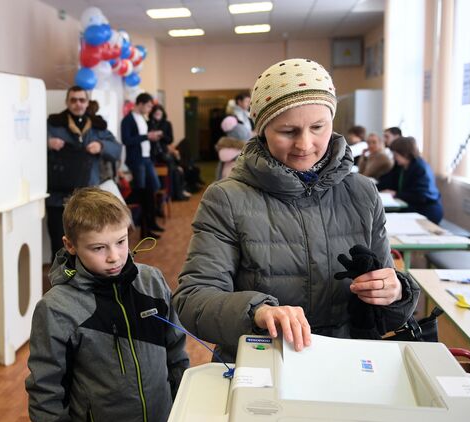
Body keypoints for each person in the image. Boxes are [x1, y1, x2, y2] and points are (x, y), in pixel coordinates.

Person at [173, 58, 420, 363]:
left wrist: (394, 293)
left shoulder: (362, 193)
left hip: (348, 362)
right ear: (262, 131)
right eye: (288, 131)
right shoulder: (227, 198)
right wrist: (258, 312)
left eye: (318, 127)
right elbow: (193, 299)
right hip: (263, 362)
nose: (305, 144)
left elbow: (384, 300)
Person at [26, 187, 189, 422]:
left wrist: (182, 406)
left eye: (121, 242)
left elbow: (176, 352)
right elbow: (46, 389)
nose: (114, 256)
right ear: (70, 245)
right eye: (99, 248)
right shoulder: (56, 308)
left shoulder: (152, 281)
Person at [46, 86, 122, 260]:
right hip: (58, 198)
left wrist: (101, 146)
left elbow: (117, 150)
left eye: (81, 100)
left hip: (88, 198)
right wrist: (47, 143)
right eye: (73, 100)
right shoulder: (53, 124)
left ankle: (83, 284)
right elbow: (29, 144)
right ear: (67, 102)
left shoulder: (97, 126)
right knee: (59, 248)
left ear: (87, 103)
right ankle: (62, 283)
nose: (77, 104)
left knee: (88, 244)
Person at [121, 93, 164, 238]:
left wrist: (151, 136)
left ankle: (151, 223)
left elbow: (143, 138)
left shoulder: (143, 118)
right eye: (148, 105)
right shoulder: (127, 120)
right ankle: (145, 229)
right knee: (144, 194)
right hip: (137, 160)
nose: (150, 108)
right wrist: (147, 136)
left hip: (146, 159)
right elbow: (126, 140)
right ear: (139, 103)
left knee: (153, 189)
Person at [377, 136, 444, 224]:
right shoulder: (401, 166)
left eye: (396, 154)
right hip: (409, 205)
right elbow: (386, 182)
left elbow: (421, 196)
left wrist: (396, 194)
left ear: (405, 153)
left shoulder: (420, 168)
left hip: (426, 210)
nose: (394, 157)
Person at [148, 104, 191, 201]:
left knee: (172, 170)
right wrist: (152, 136)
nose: (158, 115)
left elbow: (170, 140)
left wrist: (162, 135)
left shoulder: (167, 124)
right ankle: (158, 196)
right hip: (151, 153)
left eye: (160, 113)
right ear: (152, 114)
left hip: (163, 152)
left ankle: (171, 194)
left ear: (163, 114)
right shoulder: (148, 123)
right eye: (156, 114)